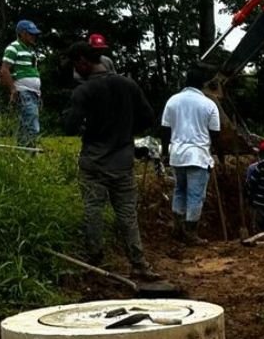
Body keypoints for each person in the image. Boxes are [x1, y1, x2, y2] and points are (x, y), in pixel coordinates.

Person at [61, 42, 160, 281]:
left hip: (94, 162)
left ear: (84, 61)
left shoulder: (84, 91)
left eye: (76, 64)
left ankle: (94, 261)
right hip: (123, 161)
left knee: (93, 211)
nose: (76, 69)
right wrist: (126, 132)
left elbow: (69, 126)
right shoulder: (127, 84)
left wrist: (83, 123)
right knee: (127, 214)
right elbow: (148, 117)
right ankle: (139, 263)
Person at [161, 67, 221, 244]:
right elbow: (215, 133)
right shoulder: (209, 104)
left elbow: (165, 129)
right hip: (198, 155)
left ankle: (177, 228)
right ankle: (191, 233)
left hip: (177, 155)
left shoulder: (173, 101)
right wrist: (214, 153)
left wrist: (165, 152)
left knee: (179, 190)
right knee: (195, 195)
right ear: (203, 84)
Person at [0, 19, 42, 147]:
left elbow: (33, 71)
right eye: (30, 33)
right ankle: (28, 151)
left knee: (26, 123)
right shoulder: (13, 48)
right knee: (32, 125)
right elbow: (4, 70)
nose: (34, 36)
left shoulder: (31, 50)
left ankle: (23, 152)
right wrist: (13, 89)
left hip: (33, 92)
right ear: (22, 34)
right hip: (24, 90)